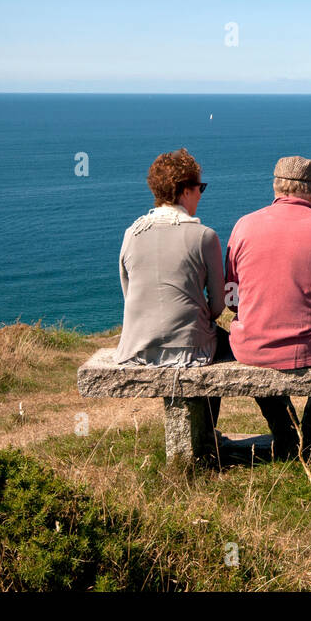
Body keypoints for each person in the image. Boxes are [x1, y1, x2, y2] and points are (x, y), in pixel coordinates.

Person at [225, 156, 311, 460]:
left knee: (255, 346)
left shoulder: (243, 226)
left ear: (276, 187)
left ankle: (283, 429)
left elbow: (232, 298)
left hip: (252, 346)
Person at [113, 149, 229, 463]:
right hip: (191, 350)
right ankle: (208, 434)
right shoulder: (204, 236)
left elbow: (129, 293)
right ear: (184, 190)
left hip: (137, 347)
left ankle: (203, 436)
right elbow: (218, 305)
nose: (201, 196)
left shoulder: (131, 233)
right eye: (200, 189)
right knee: (231, 344)